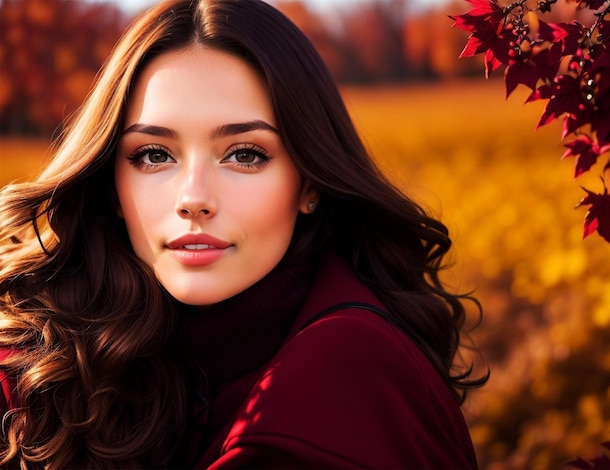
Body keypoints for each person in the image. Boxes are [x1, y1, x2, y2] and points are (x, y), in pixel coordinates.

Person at [0, 0, 488, 467]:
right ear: (111, 186)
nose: (193, 197)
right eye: (153, 155)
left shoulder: (350, 372)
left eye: (245, 154)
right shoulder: (48, 351)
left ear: (310, 181)